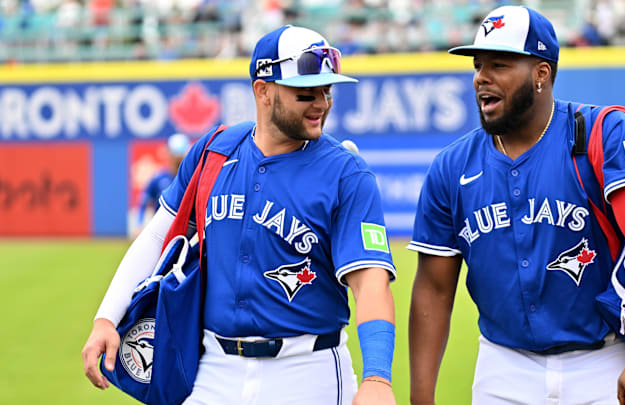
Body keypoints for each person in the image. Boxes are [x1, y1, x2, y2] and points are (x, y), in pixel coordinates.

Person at [82, 25, 397, 405]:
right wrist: (106, 317)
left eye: (327, 90)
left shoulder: (346, 173)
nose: (321, 103)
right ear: (263, 91)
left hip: (308, 370)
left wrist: (378, 377)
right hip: (214, 369)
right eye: (305, 92)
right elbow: (155, 236)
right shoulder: (215, 151)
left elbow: (370, 281)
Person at [407, 6, 625, 405]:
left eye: (499, 64)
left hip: (604, 364)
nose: (482, 77)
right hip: (502, 368)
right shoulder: (452, 166)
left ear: (541, 74)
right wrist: (421, 397)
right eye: (479, 65)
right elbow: (433, 287)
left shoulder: (605, 133)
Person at [134, 133, 190, 233]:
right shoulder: (158, 179)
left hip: (186, 231)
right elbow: (144, 203)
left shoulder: (192, 179)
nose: (178, 159)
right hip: (160, 231)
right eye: (175, 154)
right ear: (169, 154)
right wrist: (139, 224)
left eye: (180, 155)